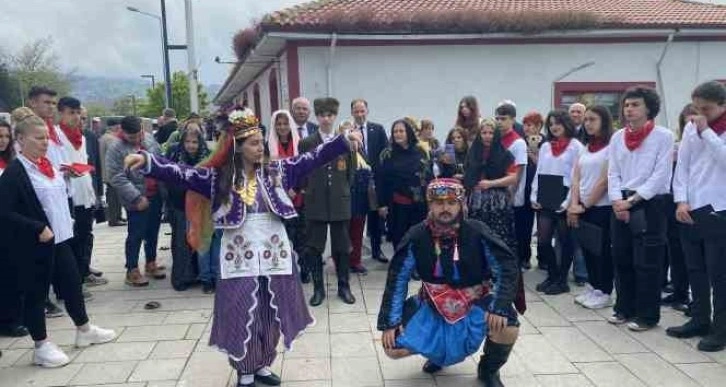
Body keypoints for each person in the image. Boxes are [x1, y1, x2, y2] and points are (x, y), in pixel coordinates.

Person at [124, 105, 362, 387]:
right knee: (241, 310)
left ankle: (263, 364)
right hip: (238, 257)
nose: (260, 147)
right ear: (237, 147)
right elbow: (182, 173)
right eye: (253, 143)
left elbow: (313, 157)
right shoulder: (217, 179)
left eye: (261, 141)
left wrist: (343, 141)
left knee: (271, 310)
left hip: (274, 254)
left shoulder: (278, 171)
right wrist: (149, 161)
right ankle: (245, 370)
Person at [0, 108, 116, 367]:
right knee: (36, 293)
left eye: (46, 138)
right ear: (20, 140)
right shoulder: (15, 173)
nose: (45, 143)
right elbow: (4, 212)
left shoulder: (46, 166)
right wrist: (36, 227)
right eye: (38, 138)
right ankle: (40, 345)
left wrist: (65, 175)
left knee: (72, 283)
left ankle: (84, 329)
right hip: (36, 243)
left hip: (61, 237)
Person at [378, 178, 519, 385]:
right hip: (432, 304)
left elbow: (506, 267)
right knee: (393, 346)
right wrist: (390, 322)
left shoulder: (477, 231)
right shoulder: (416, 235)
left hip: (474, 302)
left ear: (461, 205)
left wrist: (499, 306)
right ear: (430, 205)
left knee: (508, 326)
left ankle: (489, 369)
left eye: (452, 203)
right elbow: (397, 279)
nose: (445, 208)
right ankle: (437, 355)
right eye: (439, 203)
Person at [607, 86, 674, 331]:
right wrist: (617, 200)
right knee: (621, 256)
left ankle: (647, 315)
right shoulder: (617, 137)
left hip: (650, 202)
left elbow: (660, 175)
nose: (629, 109)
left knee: (647, 261)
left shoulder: (663, 136)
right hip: (620, 201)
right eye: (626, 105)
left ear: (649, 108)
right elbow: (613, 171)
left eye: (635, 105)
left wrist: (632, 201)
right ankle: (624, 308)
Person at [667, 81, 726, 351]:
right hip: (691, 207)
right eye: (696, 108)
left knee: (719, 273)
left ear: (722, 106)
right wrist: (681, 201)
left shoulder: (712, 131)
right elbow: (684, 167)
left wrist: (709, 134)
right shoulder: (691, 128)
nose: (700, 114)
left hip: (719, 208)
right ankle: (700, 318)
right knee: (695, 269)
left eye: (707, 109)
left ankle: (721, 329)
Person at [299, 97, 358, 306]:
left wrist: (341, 190)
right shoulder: (306, 143)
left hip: (339, 201)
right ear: (317, 116)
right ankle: (318, 289)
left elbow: (351, 171)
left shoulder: (345, 141)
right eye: (322, 115)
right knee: (314, 247)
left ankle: (344, 286)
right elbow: (303, 171)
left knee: (342, 246)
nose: (326, 118)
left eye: (330, 115)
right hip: (315, 201)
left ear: (335, 116)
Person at [106, 116, 167, 286]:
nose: (137, 139)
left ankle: (151, 262)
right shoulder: (115, 148)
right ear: (122, 132)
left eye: (139, 134)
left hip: (155, 193)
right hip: (136, 197)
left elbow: (159, 161)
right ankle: (132, 269)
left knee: (153, 231)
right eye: (132, 137)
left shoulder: (148, 138)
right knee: (136, 234)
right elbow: (116, 177)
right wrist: (136, 197)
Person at [531, 110, 584, 295]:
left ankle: (562, 280)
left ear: (566, 124)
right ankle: (552, 275)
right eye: (551, 123)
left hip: (565, 194)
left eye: (558, 123)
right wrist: (534, 194)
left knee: (565, 240)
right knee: (544, 241)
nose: (554, 127)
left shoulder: (576, 146)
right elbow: (539, 171)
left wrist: (569, 200)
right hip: (546, 193)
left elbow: (577, 176)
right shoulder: (545, 146)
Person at [567, 105, 615, 309]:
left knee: (602, 251)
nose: (587, 123)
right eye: (586, 120)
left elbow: (604, 181)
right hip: (582, 207)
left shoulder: (611, 147)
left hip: (600, 207)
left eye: (592, 119)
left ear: (604, 121)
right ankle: (593, 285)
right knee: (588, 249)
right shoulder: (586, 147)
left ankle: (604, 290)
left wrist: (584, 205)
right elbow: (576, 176)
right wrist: (574, 203)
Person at [56, 97, 105, 287]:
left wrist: (95, 193)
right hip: (69, 196)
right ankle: (72, 282)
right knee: (72, 241)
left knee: (85, 236)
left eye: (78, 113)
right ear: (61, 113)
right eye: (71, 113)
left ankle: (83, 274)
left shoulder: (84, 137)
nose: (76, 117)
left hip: (85, 193)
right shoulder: (56, 136)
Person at [165, 122, 211, 291]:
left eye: (195, 142)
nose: (191, 145)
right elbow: (167, 178)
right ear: (182, 142)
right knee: (181, 242)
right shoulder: (174, 155)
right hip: (179, 205)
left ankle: (202, 275)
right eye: (188, 142)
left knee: (200, 240)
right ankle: (183, 278)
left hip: (201, 206)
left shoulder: (208, 155)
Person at [661, 103, 697, 312]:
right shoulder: (676, 146)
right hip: (672, 204)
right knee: (675, 251)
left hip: (695, 204)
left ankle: (696, 298)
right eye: (687, 120)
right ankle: (679, 291)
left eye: (695, 119)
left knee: (695, 255)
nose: (690, 124)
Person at [377, 119, 434, 251]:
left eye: (401, 131)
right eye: (395, 131)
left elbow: (429, 177)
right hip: (397, 206)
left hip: (419, 206)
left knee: (419, 240)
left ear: (408, 132)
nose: (398, 134)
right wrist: (382, 204)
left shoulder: (421, 151)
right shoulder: (387, 154)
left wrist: (431, 202)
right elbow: (381, 181)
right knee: (400, 241)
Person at [266, 109, 307, 282]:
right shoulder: (267, 146)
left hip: (297, 197)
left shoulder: (300, 144)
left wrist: (295, 189)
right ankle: (283, 270)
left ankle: (305, 269)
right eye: (279, 124)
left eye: (285, 124)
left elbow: (305, 169)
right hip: (276, 199)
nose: (282, 127)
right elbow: (265, 172)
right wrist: (280, 191)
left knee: (301, 237)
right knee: (281, 236)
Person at [0, 119, 29, 338]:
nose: (3, 141)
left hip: (12, 224)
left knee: (12, 273)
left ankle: (13, 317)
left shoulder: (12, 161)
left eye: (6, 137)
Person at [351, 99, 389, 264]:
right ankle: (355, 254)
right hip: (357, 182)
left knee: (375, 218)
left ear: (367, 111)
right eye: (356, 111)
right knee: (358, 219)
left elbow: (385, 153)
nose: (360, 114)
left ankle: (376, 250)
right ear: (352, 112)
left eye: (362, 111)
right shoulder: (348, 130)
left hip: (375, 181)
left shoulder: (377, 129)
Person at [518, 111, 544, 270]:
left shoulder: (547, 142)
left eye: (530, 125)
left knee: (543, 227)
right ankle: (524, 257)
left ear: (539, 126)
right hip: (525, 187)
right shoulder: (520, 142)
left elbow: (547, 165)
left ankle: (544, 259)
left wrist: (535, 156)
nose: (527, 128)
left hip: (543, 189)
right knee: (524, 225)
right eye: (525, 125)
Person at [100, 118, 125, 226]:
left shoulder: (104, 138)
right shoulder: (110, 139)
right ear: (115, 127)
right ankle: (114, 218)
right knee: (113, 196)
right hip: (112, 171)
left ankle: (117, 216)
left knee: (114, 195)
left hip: (108, 171)